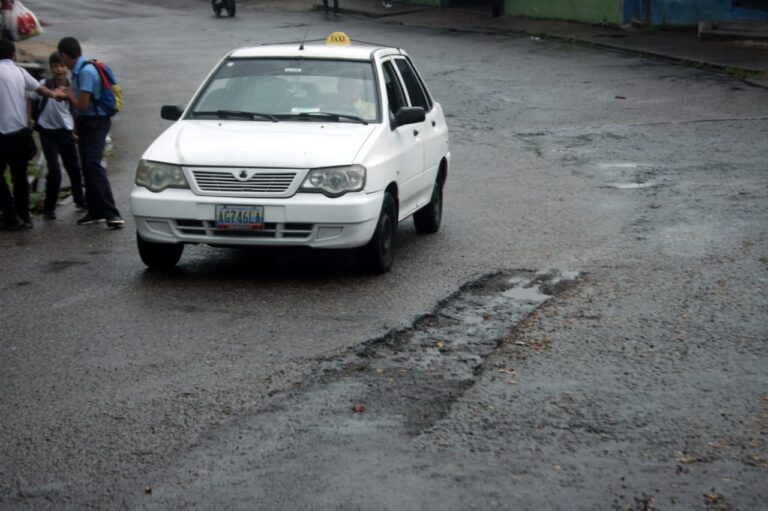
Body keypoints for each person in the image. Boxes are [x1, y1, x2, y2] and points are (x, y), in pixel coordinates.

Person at [57, 36, 124, 228]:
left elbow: (83, 105)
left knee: (93, 165)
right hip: (86, 122)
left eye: (62, 59)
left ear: (64, 55)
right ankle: (95, 212)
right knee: (86, 165)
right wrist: (69, 96)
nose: (62, 64)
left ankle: (112, 213)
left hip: (96, 122)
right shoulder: (79, 71)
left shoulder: (86, 72)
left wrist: (69, 96)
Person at [0, 38, 65, 230]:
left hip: (2, 136)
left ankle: (11, 216)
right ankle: (23, 216)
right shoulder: (20, 72)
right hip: (20, 134)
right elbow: (39, 88)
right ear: (13, 55)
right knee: (19, 176)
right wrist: (54, 94)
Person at [30, 51, 86, 220]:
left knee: (74, 168)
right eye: (55, 66)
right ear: (51, 68)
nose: (59, 69)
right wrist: (31, 119)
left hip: (66, 132)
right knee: (54, 170)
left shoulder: (73, 86)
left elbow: (77, 110)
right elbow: (31, 98)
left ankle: (80, 200)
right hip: (48, 133)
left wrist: (77, 132)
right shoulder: (44, 84)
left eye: (62, 65)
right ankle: (49, 208)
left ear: (66, 67)